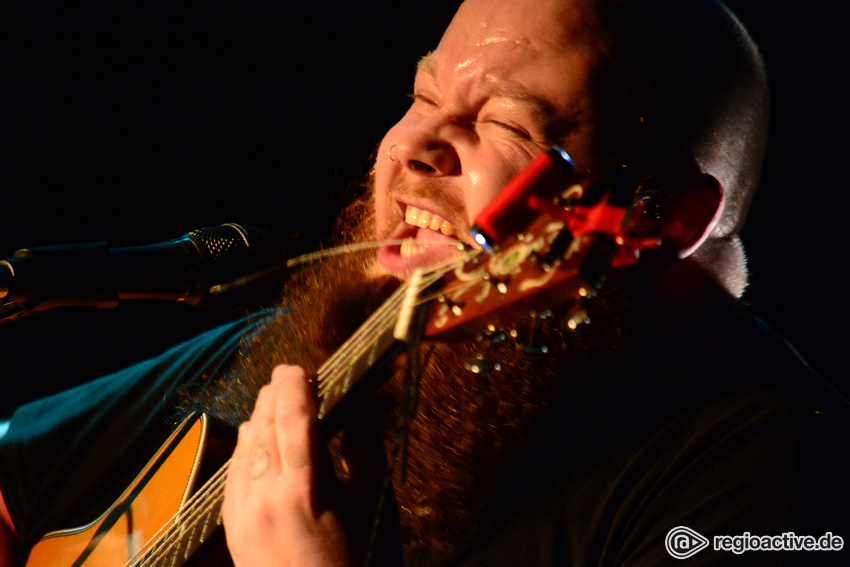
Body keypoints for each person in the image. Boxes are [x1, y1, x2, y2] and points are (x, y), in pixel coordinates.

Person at [1, 0, 848, 565]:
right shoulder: (332, 344)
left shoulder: (766, 480)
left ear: (664, 222)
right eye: (421, 93)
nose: (412, 146)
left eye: (507, 124)